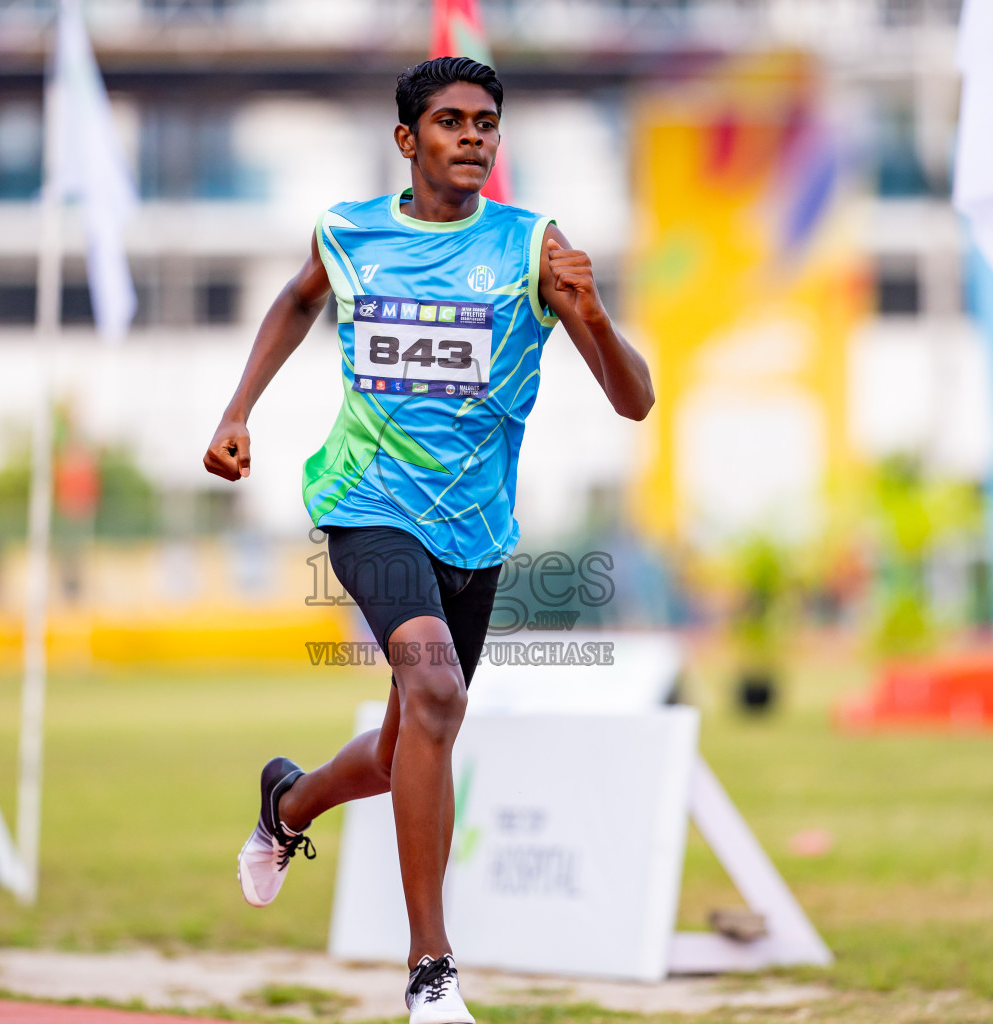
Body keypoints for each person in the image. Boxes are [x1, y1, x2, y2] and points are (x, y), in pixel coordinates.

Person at [203, 56, 653, 1024]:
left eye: (486, 122)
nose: (472, 137)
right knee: (438, 690)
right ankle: (431, 968)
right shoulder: (350, 230)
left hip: (477, 527)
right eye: (450, 121)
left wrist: (595, 314)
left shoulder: (534, 244)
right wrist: (238, 409)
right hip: (363, 499)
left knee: (414, 734)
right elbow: (295, 299)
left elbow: (633, 401)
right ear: (408, 140)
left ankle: (289, 803)